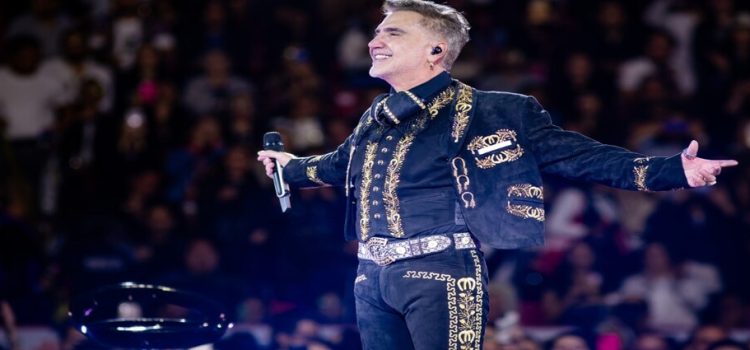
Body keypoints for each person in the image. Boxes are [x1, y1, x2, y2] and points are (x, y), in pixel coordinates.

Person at [257, 0, 738, 348]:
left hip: (442, 273)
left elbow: (579, 154)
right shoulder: (376, 115)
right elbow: (341, 165)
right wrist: (290, 169)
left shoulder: (495, 111)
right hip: (370, 277)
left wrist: (672, 170)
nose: (374, 41)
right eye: (377, 32)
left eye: (392, 33)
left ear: (436, 50)